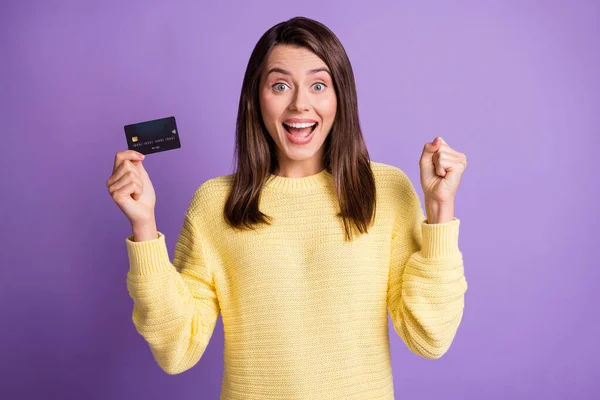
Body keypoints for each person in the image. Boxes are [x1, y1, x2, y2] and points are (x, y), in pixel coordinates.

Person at [106, 16, 468, 400]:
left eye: (318, 85)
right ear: (255, 98)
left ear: (339, 97)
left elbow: (430, 337)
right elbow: (176, 350)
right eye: (280, 85)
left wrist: (439, 209)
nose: (300, 104)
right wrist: (144, 226)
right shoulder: (215, 204)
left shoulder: (386, 191)